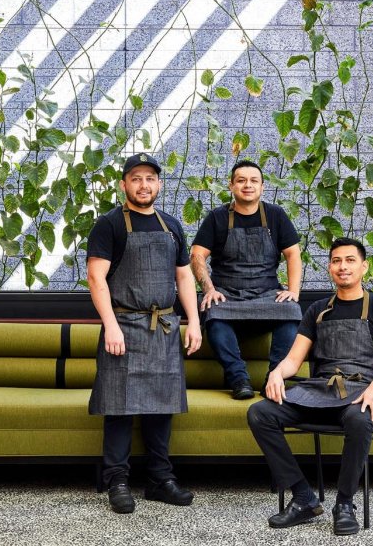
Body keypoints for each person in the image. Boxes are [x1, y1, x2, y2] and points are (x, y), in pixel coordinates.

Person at [247, 237, 373, 536]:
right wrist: (277, 374)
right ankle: (303, 497)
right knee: (260, 413)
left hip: (359, 395)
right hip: (319, 393)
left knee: (360, 420)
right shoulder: (317, 310)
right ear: (330, 268)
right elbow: (294, 359)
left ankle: (344, 504)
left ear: (364, 266)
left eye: (349, 260)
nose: (342, 267)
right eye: (336, 261)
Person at [87, 153, 203, 514]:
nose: (143, 185)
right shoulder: (109, 225)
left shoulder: (171, 225)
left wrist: (194, 321)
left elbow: (184, 276)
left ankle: (160, 480)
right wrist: (110, 325)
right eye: (135, 178)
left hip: (165, 327)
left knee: (161, 407)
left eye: (150, 178)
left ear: (159, 185)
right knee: (119, 408)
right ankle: (117, 481)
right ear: (124, 185)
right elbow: (96, 278)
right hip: (124, 327)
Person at [190, 160, 303, 400]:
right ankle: (239, 379)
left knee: (292, 313)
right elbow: (197, 255)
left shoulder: (275, 215)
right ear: (231, 186)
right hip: (228, 294)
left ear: (262, 187)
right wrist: (209, 289)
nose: (248, 185)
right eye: (241, 180)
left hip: (266, 293)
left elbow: (293, 253)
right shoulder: (217, 218)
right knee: (213, 314)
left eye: (254, 181)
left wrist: (293, 291)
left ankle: (274, 378)